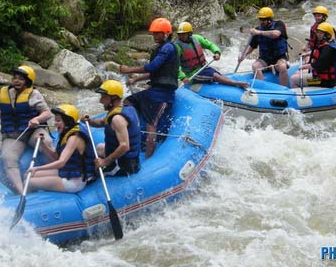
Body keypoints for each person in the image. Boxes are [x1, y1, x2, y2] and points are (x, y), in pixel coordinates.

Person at [0, 65, 53, 194]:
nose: (17, 81)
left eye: (21, 79)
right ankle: (21, 191)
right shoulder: (5, 92)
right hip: (13, 135)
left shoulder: (34, 94)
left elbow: (47, 113)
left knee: (47, 142)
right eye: (15, 78)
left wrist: (37, 119)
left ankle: (58, 172)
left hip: (32, 130)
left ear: (27, 81)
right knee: (8, 158)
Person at [120, 18, 179, 158]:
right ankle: (135, 136)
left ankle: (148, 155)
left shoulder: (168, 48)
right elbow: (155, 73)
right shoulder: (161, 48)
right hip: (154, 91)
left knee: (151, 123)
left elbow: (152, 67)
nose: (154, 36)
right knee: (129, 101)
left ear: (166, 34)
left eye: (157, 33)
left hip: (163, 94)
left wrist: (129, 70)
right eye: (153, 33)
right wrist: (136, 79)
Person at [26, 104, 96, 193]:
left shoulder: (74, 138)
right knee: (28, 175)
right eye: (55, 120)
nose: (55, 123)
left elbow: (61, 162)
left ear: (68, 122)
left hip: (74, 181)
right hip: (66, 171)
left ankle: (30, 201)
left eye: (58, 120)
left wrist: (37, 168)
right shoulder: (66, 132)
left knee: (28, 181)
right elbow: (56, 157)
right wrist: (42, 144)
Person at [85, 80, 141, 176]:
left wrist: (105, 162)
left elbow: (124, 146)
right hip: (128, 158)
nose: (100, 100)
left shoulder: (117, 119)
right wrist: (89, 121)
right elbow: (102, 122)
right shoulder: (125, 108)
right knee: (99, 148)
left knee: (91, 170)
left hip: (124, 165)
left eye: (104, 97)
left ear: (114, 98)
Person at [174, 22, 248, 89]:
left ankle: (234, 85)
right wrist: (183, 78)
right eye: (180, 34)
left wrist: (217, 52)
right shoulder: (177, 46)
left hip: (204, 68)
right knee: (215, 76)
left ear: (189, 33)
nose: (181, 36)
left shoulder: (197, 38)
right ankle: (237, 83)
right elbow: (174, 64)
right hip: (191, 75)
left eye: (184, 34)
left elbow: (210, 45)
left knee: (218, 75)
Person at [237, 7, 289, 87]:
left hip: (279, 57)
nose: (261, 21)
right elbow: (252, 46)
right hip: (265, 59)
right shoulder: (257, 30)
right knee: (255, 66)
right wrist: (243, 55)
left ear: (270, 19)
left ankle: (284, 89)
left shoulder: (279, 24)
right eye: (260, 19)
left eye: (264, 20)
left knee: (282, 67)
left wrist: (259, 32)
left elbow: (276, 34)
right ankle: (262, 88)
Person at [290, 23, 336, 88]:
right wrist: (308, 54)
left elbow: (319, 65)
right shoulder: (328, 44)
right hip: (324, 78)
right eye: (318, 32)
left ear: (327, 35)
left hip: (324, 81)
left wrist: (305, 66)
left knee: (293, 79)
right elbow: (320, 53)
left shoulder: (328, 49)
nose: (318, 35)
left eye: (321, 33)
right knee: (296, 73)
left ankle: (299, 96)